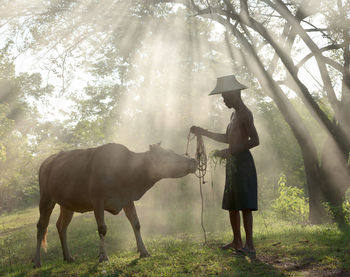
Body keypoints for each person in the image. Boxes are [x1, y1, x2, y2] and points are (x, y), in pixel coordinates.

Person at [190, 75, 259, 254]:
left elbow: (255, 140)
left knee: (244, 205)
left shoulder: (245, 113)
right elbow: (228, 138)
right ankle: (237, 241)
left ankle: (249, 245)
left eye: (225, 96)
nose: (223, 99)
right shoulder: (234, 114)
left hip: (243, 163)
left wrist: (231, 151)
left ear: (234, 94)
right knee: (232, 204)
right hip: (233, 164)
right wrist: (203, 132)